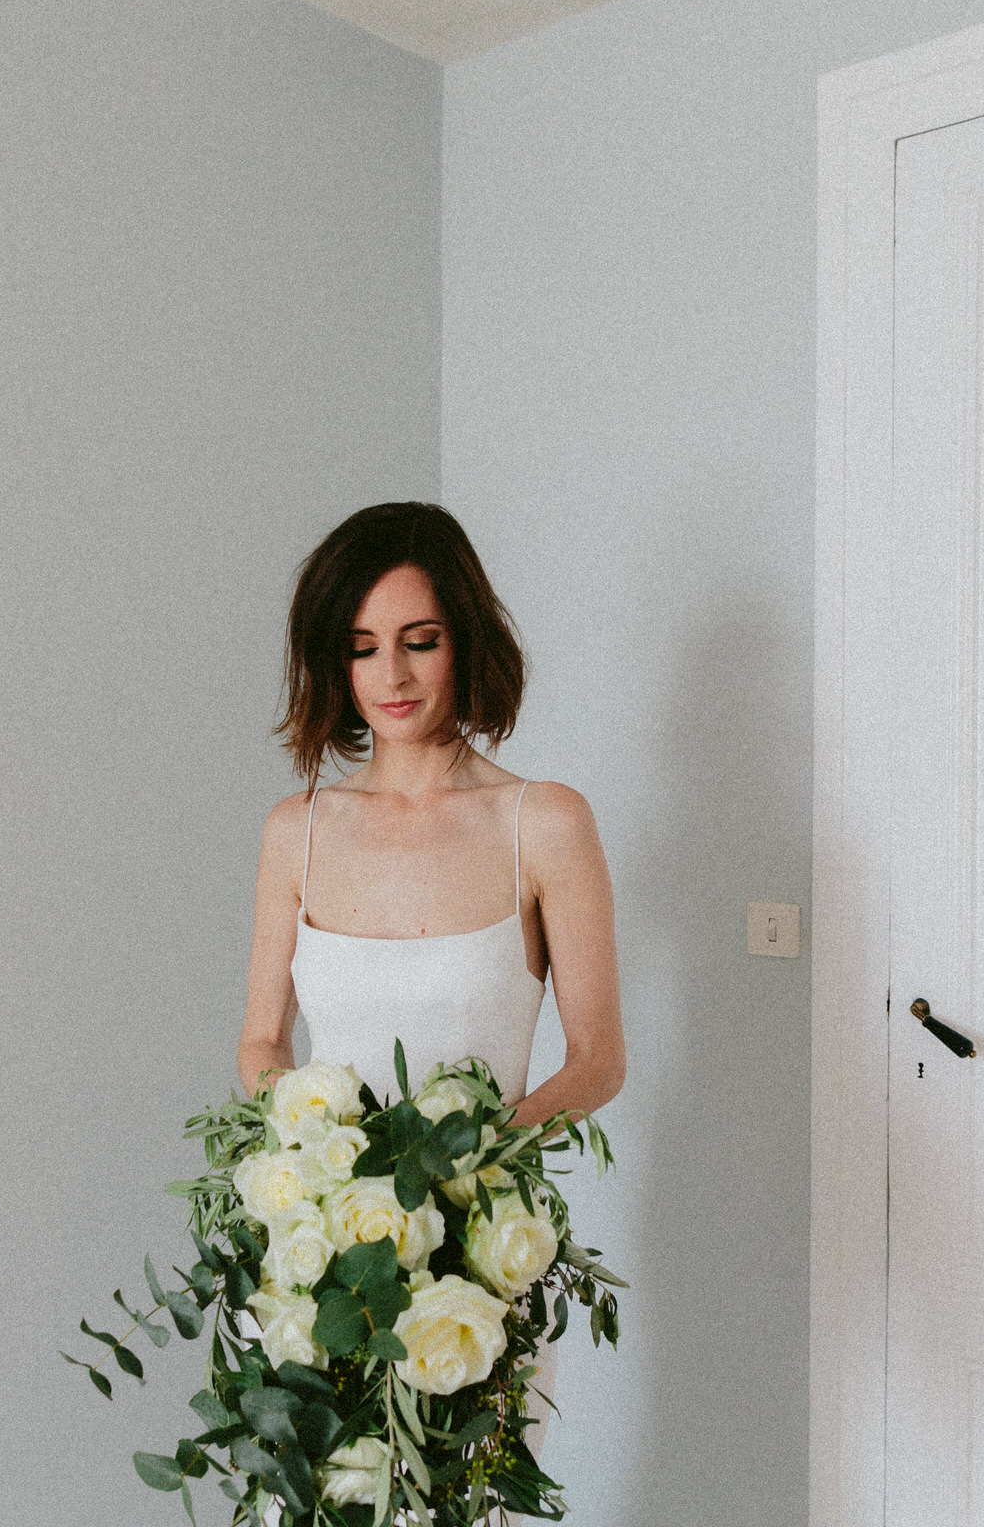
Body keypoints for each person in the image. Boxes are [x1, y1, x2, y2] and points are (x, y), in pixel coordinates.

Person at [234, 500, 626, 1491]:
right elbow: (261, 1042)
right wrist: (320, 1186)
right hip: (323, 1272)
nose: (394, 677)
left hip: (477, 1277)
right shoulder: (296, 832)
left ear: (466, 641)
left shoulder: (544, 823)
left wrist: (465, 1172)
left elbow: (597, 1060)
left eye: (420, 641)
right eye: (362, 648)